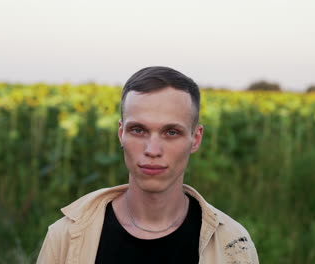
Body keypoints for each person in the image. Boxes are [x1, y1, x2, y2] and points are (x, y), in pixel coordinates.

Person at [37, 66, 259, 264]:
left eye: (171, 132)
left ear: (196, 139)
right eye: (138, 130)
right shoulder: (65, 236)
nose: (152, 150)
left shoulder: (233, 245)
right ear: (121, 133)